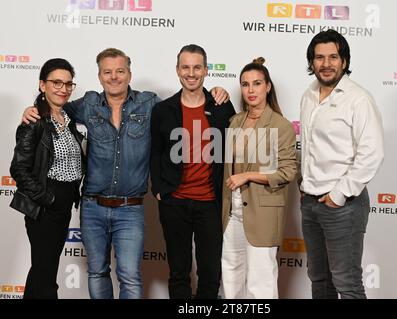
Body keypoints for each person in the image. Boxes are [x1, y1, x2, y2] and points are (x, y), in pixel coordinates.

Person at [22, 48, 229, 299]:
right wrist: (32, 108)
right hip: (93, 205)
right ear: (99, 76)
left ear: (129, 74)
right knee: (97, 272)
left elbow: (182, 103)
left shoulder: (150, 103)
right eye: (107, 72)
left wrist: (217, 91)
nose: (114, 77)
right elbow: (55, 106)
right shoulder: (87, 104)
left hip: (130, 208)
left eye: (120, 71)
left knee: (130, 276)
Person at [298, 29, 384, 299]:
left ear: (344, 61)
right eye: (319, 57)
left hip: (343, 205)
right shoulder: (309, 95)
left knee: (346, 283)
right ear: (311, 62)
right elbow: (311, 147)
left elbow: (372, 153)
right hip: (310, 202)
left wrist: (339, 194)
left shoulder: (358, 99)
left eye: (333, 57)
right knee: (320, 280)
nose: (326, 64)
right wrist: (305, 183)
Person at [150, 44, 236, 299]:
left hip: (210, 203)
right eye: (185, 67)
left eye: (197, 67)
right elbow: (155, 152)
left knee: (210, 273)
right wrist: (159, 190)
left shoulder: (222, 108)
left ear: (206, 70)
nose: (191, 73)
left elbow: (232, 152)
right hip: (174, 202)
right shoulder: (163, 110)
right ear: (177, 70)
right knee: (179, 271)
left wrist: (222, 94)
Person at [221, 57, 297, 299]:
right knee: (231, 277)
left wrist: (248, 176)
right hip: (231, 213)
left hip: (263, 212)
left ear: (268, 87)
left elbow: (288, 172)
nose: (251, 90)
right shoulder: (234, 122)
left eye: (256, 83)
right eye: (245, 84)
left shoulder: (281, 125)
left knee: (260, 281)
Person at [10, 58, 85, 299]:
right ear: (42, 85)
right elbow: (18, 169)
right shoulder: (35, 122)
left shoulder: (68, 121)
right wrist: (47, 198)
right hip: (45, 205)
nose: (63, 89)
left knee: (45, 270)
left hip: (63, 203)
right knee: (45, 272)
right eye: (56, 82)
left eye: (68, 83)